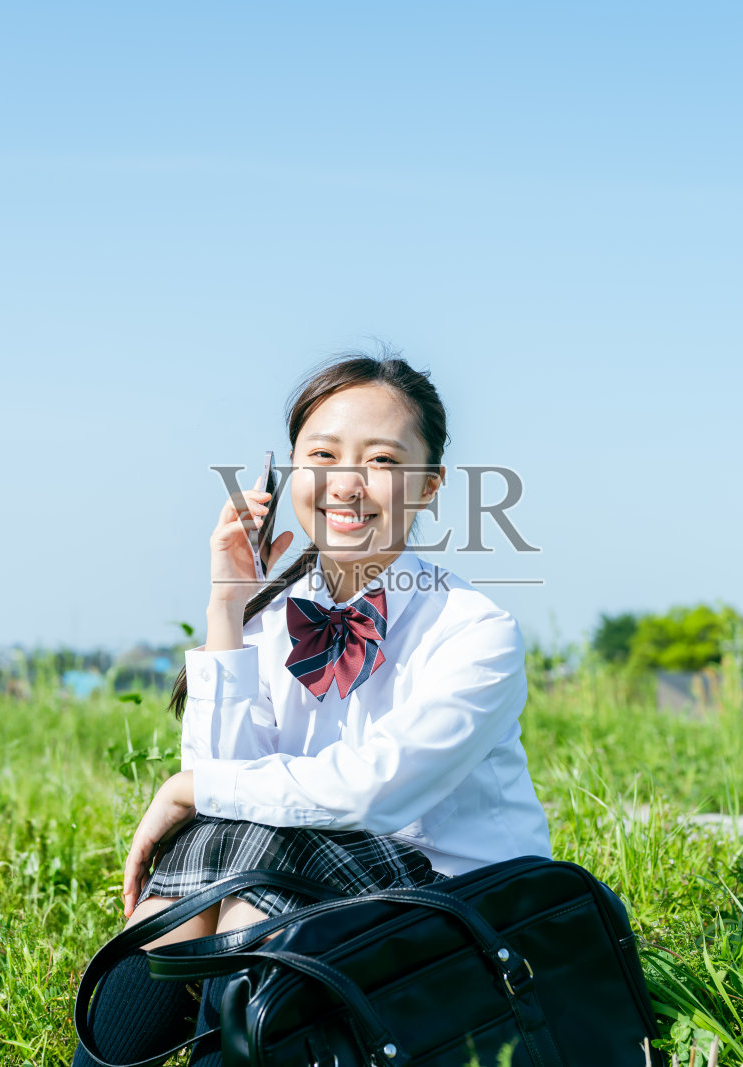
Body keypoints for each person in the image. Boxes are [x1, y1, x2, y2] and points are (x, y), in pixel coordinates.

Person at [73, 352, 552, 1066]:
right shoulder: (274, 619)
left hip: (465, 919)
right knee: (240, 851)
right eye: (321, 454)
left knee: (255, 858)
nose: (346, 483)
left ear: (429, 486)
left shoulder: (475, 631)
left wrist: (187, 789)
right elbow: (225, 790)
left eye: (382, 460)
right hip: (303, 901)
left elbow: (372, 791)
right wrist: (227, 607)